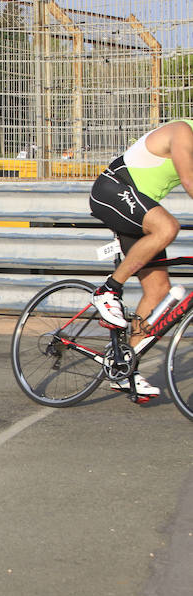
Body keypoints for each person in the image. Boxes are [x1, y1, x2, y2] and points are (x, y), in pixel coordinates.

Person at [88, 119, 193, 397]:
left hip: (138, 210)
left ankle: (124, 368)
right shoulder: (184, 131)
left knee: (159, 291)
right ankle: (108, 290)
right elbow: (190, 181)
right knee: (167, 227)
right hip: (112, 189)